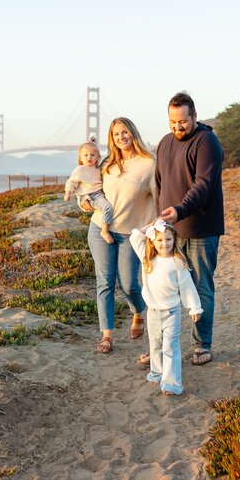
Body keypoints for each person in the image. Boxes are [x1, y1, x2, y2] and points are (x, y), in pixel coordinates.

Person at [150, 91, 224, 367]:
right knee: (166, 288)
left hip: (201, 229)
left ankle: (201, 344)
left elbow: (203, 185)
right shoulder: (165, 143)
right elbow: (159, 183)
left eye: (183, 121)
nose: (178, 127)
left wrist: (180, 209)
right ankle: (164, 344)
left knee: (200, 287)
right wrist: (159, 219)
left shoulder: (207, 142)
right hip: (170, 230)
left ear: (194, 116)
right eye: (173, 122)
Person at [87, 117, 156, 353]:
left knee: (129, 285)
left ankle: (138, 311)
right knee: (104, 283)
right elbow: (90, 191)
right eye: (116, 134)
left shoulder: (149, 164)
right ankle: (107, 336)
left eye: (124, 132)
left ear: (133, 133)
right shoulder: (107, 163)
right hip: (99, 229)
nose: (121, 137)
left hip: (130, 233)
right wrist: (84, 203)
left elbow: (159, 199)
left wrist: (151, 230)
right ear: (112, 138)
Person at [130, 219, 202, 395]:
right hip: (152, 312)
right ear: (153, 241)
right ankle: (157, 373)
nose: (164, 244)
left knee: (170, 346)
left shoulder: (177, 262)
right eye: (160, 240)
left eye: (168, 239)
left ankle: (171, 383)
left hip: (172, 312)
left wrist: (194, 307)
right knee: (154, 344)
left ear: (174, 240)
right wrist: (153, 226)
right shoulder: (147, 258)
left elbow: (187, 286)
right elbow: (135, 237)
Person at [64, 138, 114, 244]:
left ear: (98, 158)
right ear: (80, 158)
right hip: (90, 196)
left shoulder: (97, 169)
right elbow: (71, 182)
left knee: (109, 205)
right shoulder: (80, 169)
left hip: (100, 194)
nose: (89, 157)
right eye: (85, 155)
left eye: (92, 155)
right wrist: (68, 193)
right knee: (107, 207)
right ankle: (104, 231)